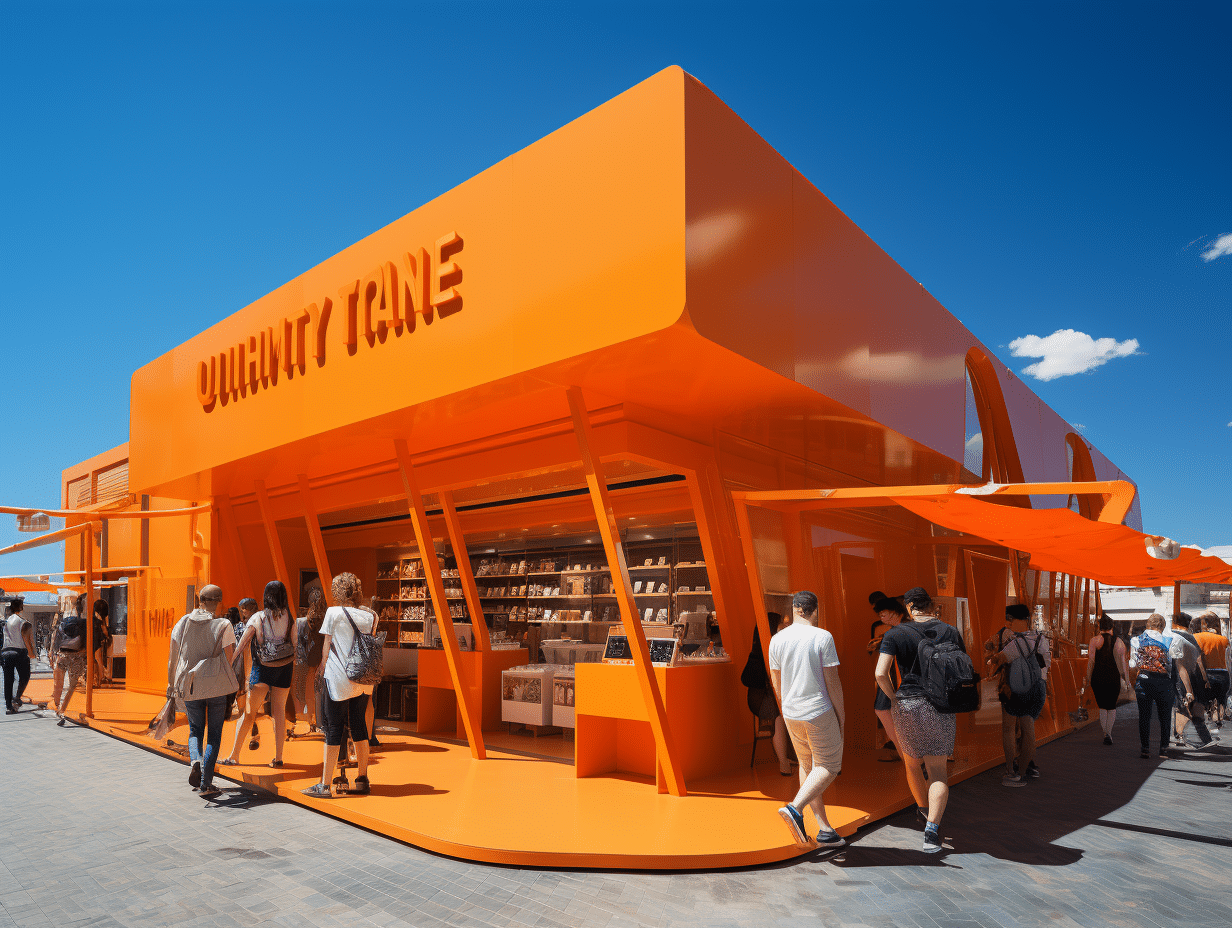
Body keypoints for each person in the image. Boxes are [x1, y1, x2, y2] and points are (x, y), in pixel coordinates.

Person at [876, 586, 965, 852]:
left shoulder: (895, 633)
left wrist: (894, 698)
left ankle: (924, 811)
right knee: (937, 770)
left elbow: (880, 673)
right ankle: (932, 830)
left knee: (912, 764)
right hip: (941, 704)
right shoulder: (950, 631)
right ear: (931, 606)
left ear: (909, 607)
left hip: (908, 703)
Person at [768, 591, 845, 849]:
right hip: (818, 709)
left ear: (794, 610)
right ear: (815, 610)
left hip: (791, 712)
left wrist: (786, 708)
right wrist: (841, 715)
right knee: (829, 765)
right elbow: (832, 682)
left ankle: (824, 828)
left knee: (807, 765)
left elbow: (776, 682)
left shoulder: (777, 639)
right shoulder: (822, 637)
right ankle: (795, 808)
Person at [302, 573, 378, 798]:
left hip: (338, 677)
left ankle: (324, 785)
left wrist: (321, 669)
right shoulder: (371, 615)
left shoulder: (334, 612)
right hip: (363, 677)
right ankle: (362, 779)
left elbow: (327, 645)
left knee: (333, 727)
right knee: (359, 725)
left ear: (337, 591)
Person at [167, 584, 236, 798]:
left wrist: (171, 684)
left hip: (190, 685)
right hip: (216, 686)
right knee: (214, 734)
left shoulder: (182, 623)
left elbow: (173, 658)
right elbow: (230, 658)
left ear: (200, 600)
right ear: (219, 602)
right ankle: (206, 783)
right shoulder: (223, 625)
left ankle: (195, 761)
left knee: (195, 729)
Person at [222, 581, 295, 768]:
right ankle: (278, 758)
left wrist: (230, 663)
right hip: (284, 668)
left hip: (262, 669)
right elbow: (295, 643)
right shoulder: (289, 617)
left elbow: (243, 644)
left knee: (249, 713)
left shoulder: (258, 617)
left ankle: (234, 756)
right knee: (279, 712)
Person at [990, 605, 1051, 786]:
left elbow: (997, 659)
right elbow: (1046, 664)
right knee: (1029, 729)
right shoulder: (1041, 639)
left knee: (1009, 729)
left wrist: (992, 659)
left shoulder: (1013, 642)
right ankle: (1025, 769)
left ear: (1013, 619)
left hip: (1016, 690)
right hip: (1038, 688)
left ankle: (1011, 771)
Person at [741, 611, 793, 776]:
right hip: (762, 699)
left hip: (766, 696)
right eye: (781, 623)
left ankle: (788, 757)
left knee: (784, 711)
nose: (785, 626)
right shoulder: (765, 652)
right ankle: (783, 762)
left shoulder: (765, 649)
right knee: (779, 715)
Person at [1129, 614, 1183, 758]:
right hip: (1164, 682)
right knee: (1165, 717)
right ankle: (1164, 748)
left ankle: (1145, 748)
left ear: (1148, 625)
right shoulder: (1171, 640)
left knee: (1144, 716)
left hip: (1143, 680)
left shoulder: (1136, 640)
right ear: (1162, 626)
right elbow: (1175, 665)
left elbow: (1133, 664)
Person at [868, 596, 909, 758]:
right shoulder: (897, 630)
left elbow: (881, 672)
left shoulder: (895, 632)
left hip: (899, 679)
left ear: (894, 612)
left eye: (883, 614)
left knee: (884, 710)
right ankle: (906, 755)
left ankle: (906, 756)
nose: (881, 618)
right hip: (899, 678)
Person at [1170, 613, 1213, 748]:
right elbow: (1199, 660)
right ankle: (1205, 739)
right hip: (1192, 677)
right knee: (1191, 708)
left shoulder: (1171, 635)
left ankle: (1179, 737)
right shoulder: (1191, 639)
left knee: (1182, 707)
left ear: (1174, 623)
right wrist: (1205, 678)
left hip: (1175, 677)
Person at [1085, 614, 1129, 744]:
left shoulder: (1094, 641)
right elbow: (1124, 664)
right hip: (1113, 677)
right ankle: (1108, 733)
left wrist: (1087, 678)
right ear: (1112, 627)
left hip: (1097, 677)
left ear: (1099, 626)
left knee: (1102, 707)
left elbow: (1091, 661)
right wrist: (1127, 681)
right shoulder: (1119, 642)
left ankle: (1105, 733)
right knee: (1111, 706)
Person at [50, 594, 89, 725]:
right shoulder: (85, 623)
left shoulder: (65, 621)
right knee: (71, 686)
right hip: (77, 657)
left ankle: (57, 707)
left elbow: (56, 638)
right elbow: (86, 642)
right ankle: (62, 710)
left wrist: (54, 653)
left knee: (59, 684)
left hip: (62, 654)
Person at [293, 588, 327, 736]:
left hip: (303, 662)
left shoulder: (301, 622)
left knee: (302, 693)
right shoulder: (325, 621)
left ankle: (304, 721)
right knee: (317, 693)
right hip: (319, 662)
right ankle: (316, 722)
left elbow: (297, 643)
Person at [1194, 612, 1228, 729]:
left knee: (1204, 699)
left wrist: (1204, 677)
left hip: (1208, 672)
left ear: (1205, 624)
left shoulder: (1198, 637)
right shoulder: (1224, 639)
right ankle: (1219, 720)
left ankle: (1208, 722)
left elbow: (1198, 659)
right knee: (1221, 699)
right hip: (1223, 673)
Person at [2, 598, 36, 713]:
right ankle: (17, 697)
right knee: (25, 675)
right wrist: (31, 653)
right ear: (21, 608)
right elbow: (26, 639)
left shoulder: (5, 622)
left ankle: (8, 706)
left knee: (8, 680)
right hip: (19, 652)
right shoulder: (24, 622)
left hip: (6, 652)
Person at [92, 599, 112, 685]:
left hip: (94, 641)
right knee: (99, 660)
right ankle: (101, 678)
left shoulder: (94, 619)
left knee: (96, 660)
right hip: (99, 641)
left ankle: (98, 678)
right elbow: (105, 632)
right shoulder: (101, 620)